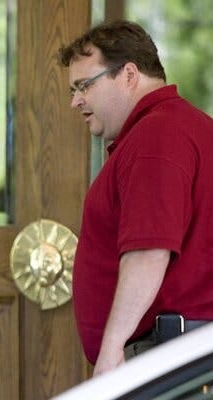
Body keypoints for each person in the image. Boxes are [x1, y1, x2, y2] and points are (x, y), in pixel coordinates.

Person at [58, 20, 213, 376]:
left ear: (128, 74)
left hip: (174, 357)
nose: (75, 101)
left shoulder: (156, 135)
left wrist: (112, 349)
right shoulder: (185, 127)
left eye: (84, 86)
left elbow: (148, 250)